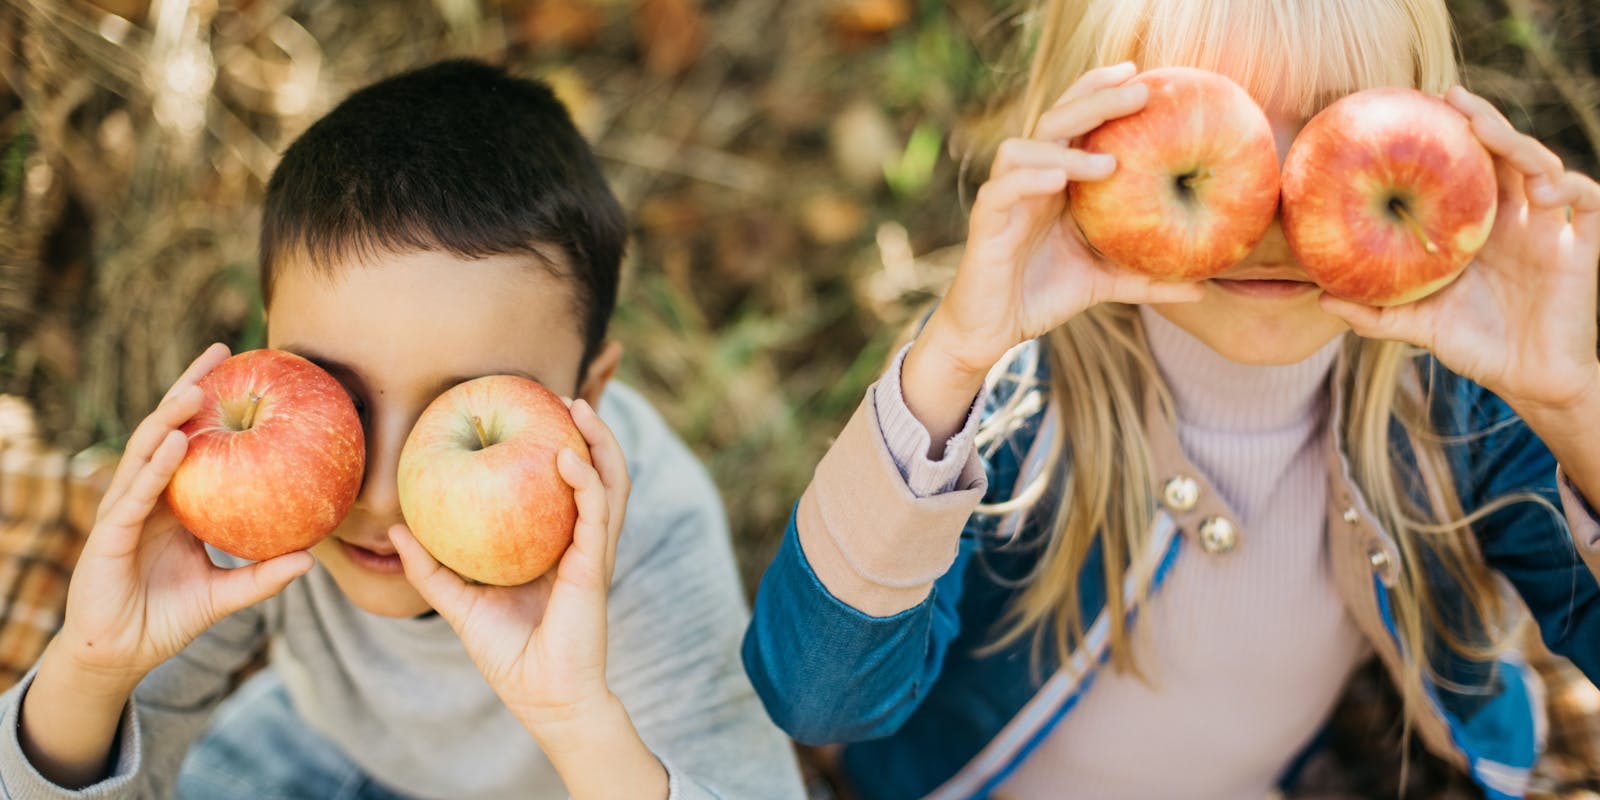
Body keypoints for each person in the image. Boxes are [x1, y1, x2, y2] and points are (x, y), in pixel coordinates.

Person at [740, 1, 1600, 797]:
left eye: (1335, 131)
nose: (1274, 210)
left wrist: (1571, 405)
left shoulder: (1454, 413)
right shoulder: (1005, 399)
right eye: (1219, 133)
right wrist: (956, 357)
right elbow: (816, 702)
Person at [3, 58, 804, 800]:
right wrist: (94, 666)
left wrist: (574, 718)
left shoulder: (653, 536)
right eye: (338, 399)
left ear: (588, 391)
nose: (382, 493)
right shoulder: (259, 481)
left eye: (458, 412)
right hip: (319, 748)